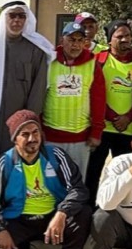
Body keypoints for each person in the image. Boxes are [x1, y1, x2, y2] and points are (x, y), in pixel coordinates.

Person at [0, 110, 92, 249]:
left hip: (52, 217)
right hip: (20, 219)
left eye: (35, 132)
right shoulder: (4, 163)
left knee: (84, 213)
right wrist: (0, 230)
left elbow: (78, 189)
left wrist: (62, 213)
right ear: (15, 139)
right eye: (25, 134)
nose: (32, 138)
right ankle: (22, 245)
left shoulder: (55, 156)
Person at [0, 1, 54, 168]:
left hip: (20, 119)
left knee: (18, 162)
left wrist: (28, 120)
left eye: (21, 16)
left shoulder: (36, 49)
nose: (17, 20)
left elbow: (38, 89)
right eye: (12, 16)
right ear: (4, 18)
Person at [84, 19, 132, 201]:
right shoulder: (99, 60)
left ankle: (121, 210)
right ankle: (90, 209)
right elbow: (93, 92)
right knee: (92, 173)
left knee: (126, 175)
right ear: (110, 40)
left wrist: (128, 117)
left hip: (128, 129)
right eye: (119, 36)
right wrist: (112, 116)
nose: (125, 39)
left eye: (128, 35)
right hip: (102, 128)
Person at [42, 21, 105, 176]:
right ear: (62, 40)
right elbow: (39, 95)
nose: (75, 45)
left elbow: (98, 100)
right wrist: (38, 128)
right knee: (51, 180)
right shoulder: (50, 61)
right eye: (71, 40)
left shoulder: (92, 64)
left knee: (76, 181)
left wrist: (96, 132)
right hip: (51, 136)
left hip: (80, 138)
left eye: (79, 40)